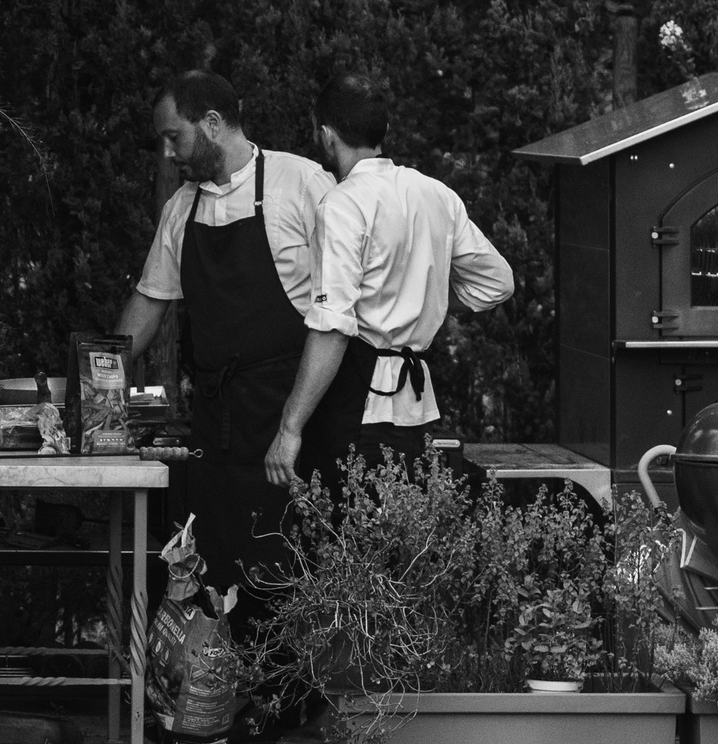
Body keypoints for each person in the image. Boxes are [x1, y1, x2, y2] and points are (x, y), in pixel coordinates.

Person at [113, 71, 332, 626]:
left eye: (174, 137)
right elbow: (149, 302)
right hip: (215, 426)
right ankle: (214, 705)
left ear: (212, 123)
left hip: (289, 419)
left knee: (287, 575)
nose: (167, 152)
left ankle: (286, 710)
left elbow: (340, 312)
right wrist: (99, 376)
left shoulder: (301, 184)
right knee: (214, 578)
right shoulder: (181, 209)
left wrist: (295, 425)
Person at [266, 73, 515, 491]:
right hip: (414, 414)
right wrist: (423, 298)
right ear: (384, 131)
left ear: (326, 135)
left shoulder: (342, 204)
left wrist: (290, 428)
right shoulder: (435, 193)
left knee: (342, 547)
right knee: (400, 548)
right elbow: (498, 282)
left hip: (355, 410)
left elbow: (331, 327)